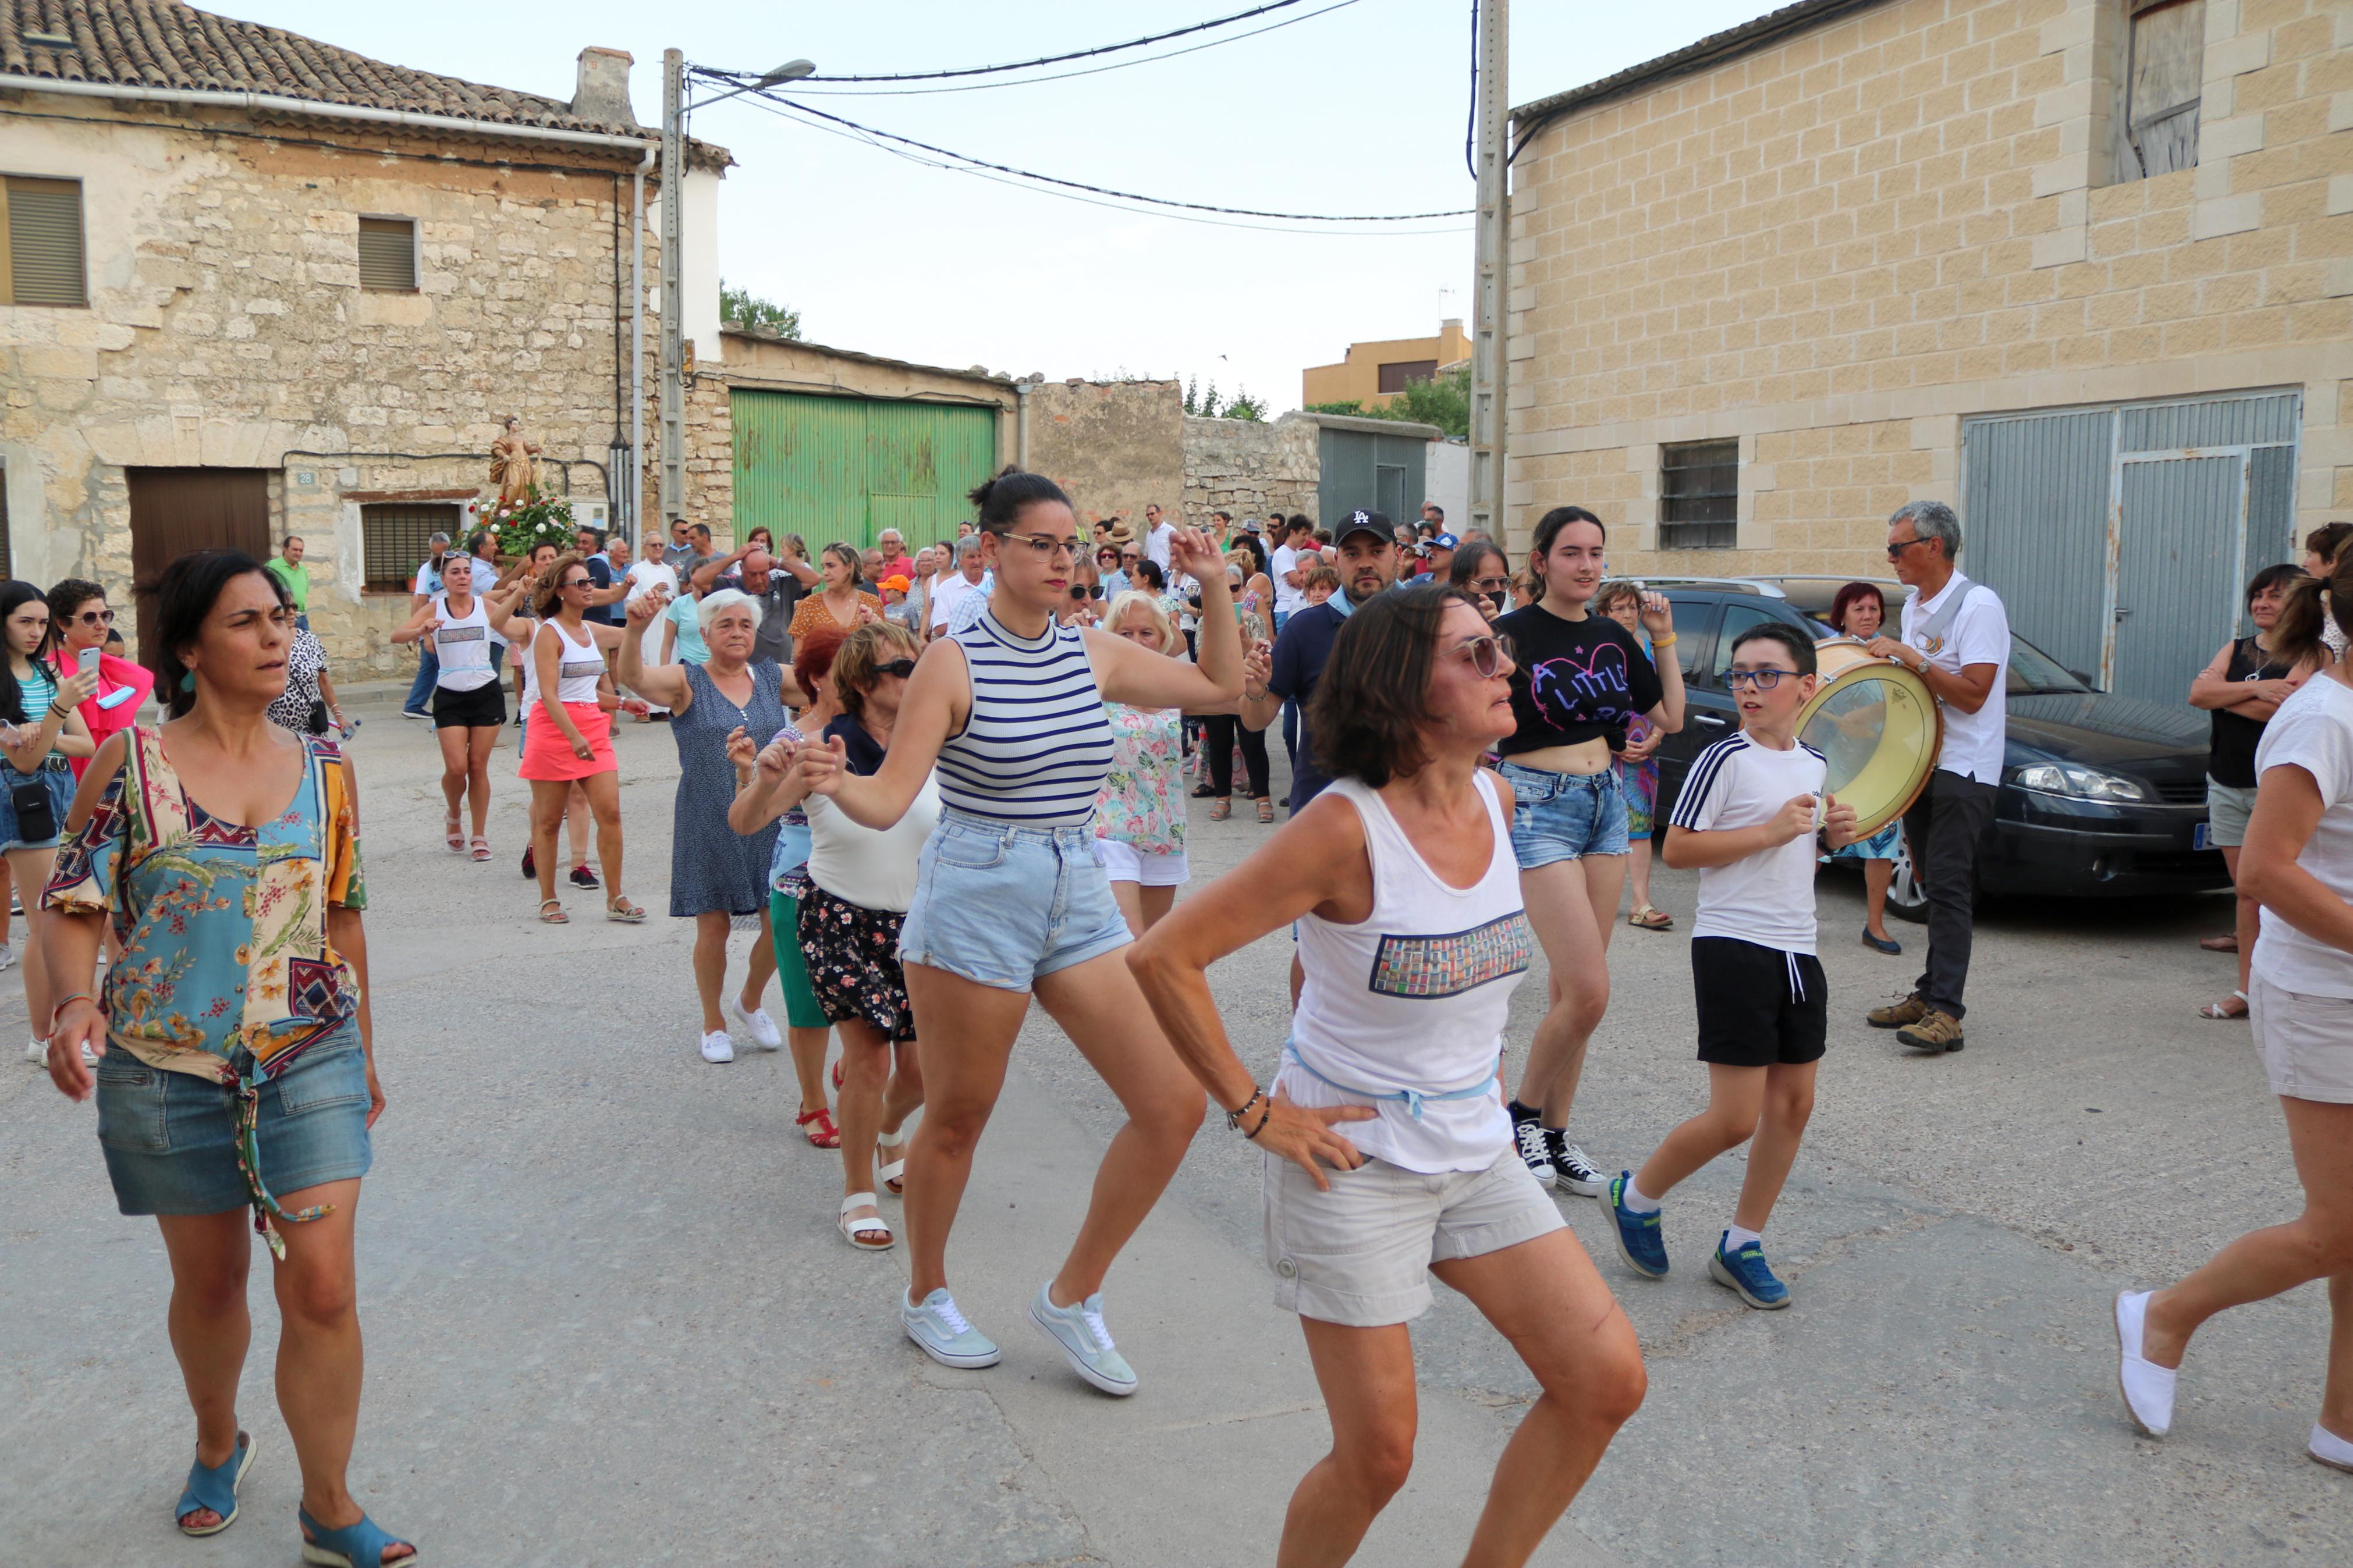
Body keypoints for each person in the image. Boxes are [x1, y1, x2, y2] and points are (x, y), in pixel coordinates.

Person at [1129, 584, 1645, 1566]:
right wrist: (1254, 1109)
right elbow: (1162, 957)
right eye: (1476, 656)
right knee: (1378, 1458)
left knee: (1603, 1379)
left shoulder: (1495, 797)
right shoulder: (1342, 828)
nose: (1506, 669)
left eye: (1497, 649)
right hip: (1351, 1162)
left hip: (1472, 1147)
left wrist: (1468, 1066)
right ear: (1405, 692)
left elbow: (1371, 966)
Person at [789, 466, 1241, 1392]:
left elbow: (1220, 685)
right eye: (1039, 542)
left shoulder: (1093, 647)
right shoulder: (950, 662)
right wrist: (831, 780)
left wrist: (1217, 587)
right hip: (976, 886)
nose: (1059, 559)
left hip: (1077, 879)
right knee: (959, 1114)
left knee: (1171, 1103)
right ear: (988, 548)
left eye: (1067, 544)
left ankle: (1071, 1296)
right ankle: (926, 1296)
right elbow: (888, 798)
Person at [41, 550, 415, 1565]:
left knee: (324, 1288)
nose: (273, 636)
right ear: (192, 647)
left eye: (281, 618)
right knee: (211, 1288)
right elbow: (71, 900)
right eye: (247, 620)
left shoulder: (325, 767)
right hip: (167, 1068)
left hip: (307, 1053)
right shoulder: (132, 764)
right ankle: (218, 1438)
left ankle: (328, 1508)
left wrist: (366, 1051)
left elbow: (343, 913)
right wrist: (76, 1001)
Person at [2115, 558, 2353, 1475]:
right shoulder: (2319, 719)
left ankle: (2340, 1418)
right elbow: (2262, 870)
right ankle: (2163, 1313)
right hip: (2322, 997)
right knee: (2335, 1227)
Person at [1605, 623, 1857, 1310]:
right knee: (1735, 1116)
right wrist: (1774, 829)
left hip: (1796, 948)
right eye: (1741, 673)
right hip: (1732, 943)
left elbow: (1797, 856)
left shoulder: (1813, 764)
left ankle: (1741, 1243)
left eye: (1766, 673)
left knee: (1793, 1104)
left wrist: (1828, 838)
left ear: (1806, 687)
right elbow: (1679, 850)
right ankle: (1634, 1196)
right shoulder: (1724, 758)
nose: (1749, 685)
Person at [1492, 507, 1684, 1194]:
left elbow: (1668, 716)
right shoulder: (1506, 634)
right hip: (1538, 804)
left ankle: (1555, 1134)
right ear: (1540, 560)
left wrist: (1661, 639)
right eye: (1570, 551)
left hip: (1606, 801)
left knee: (1573, 988)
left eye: (1595, 551)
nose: (1585, 564)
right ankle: (1517, 1120)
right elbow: (1476, 713)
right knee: (1589, 991)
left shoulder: (1610, 632)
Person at [740, 623, 936, 1247]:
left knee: (925, 1073)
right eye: (902, 669)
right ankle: (857, 1193)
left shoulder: (935, 743)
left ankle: (885, 1131)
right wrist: (765, 778)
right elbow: (747, 822)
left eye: (919, 666)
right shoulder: (821, 747)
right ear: (860, 682)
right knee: (868, 1059)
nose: (917, 678)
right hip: (841, 918)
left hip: (923, 925)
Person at [1862, 499, 2010, 1055]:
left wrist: (1911, 658)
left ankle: (1947, 1011)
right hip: (1923, 762)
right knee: (1929, 881)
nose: (1891, 557)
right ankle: (1928, 994)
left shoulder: (1977, 605)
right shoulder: (1918, 604)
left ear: (1933, 547)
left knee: (1947, 888)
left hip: (1966, 767)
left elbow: (1973, 694)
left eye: (1897, 548)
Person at [619, 587, 790, 1061]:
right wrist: (635, 629)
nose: (737, 633)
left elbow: (833, 683)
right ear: (706, 632)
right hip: (705, 813)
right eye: (726, 625)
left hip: (765, 814)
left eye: (745, 625)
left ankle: (750, 1001)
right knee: (712, 926)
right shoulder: (686, 679)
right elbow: (632, 676)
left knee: (779, 920)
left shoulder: (773, 677)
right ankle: (713, 1021)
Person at [1094, 591, 1271, 936]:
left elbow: (1247, 712)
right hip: (1108, 833)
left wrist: (1254, 687)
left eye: (1146, 633)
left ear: (1163, 638)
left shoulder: (1177, 685)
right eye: (1125, 633)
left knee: (1148, 951)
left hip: (1164, 831)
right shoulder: (1095, 685)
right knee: (1124, 944)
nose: (1136, 642)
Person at [2189, 564, 2318, 1019]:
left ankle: (2286, 987)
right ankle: (2246, 992)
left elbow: (2285, 713)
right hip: (2225, 782)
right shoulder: (2237, 648)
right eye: (2257, 595)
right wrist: (2260, 687)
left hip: (2275, 788)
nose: (2262, 604)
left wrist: (2225, 695)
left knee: (2277, 891)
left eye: (2275, 596)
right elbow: (2196, 695)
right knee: (2245, 891)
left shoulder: (2311, 653)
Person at [739, 627, 850, 1148]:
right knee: (807, 1003)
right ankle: (813, 1103)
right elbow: (754, 817)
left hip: (874, 881)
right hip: (801, 882)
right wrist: (758, 777)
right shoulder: (792, 740)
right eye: (844, 668)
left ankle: (855, 1059)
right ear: (815, 679)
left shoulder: (887, 731)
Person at [1238, 511, 1403, 823]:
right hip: (1323, 815)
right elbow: (1255, 720)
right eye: (1353, 553)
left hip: (1409, 817)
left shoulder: (1429, 622)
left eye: (1377, 551)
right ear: (1337, 561)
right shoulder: (1304, 629)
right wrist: (1255, 691)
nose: (1365, 562)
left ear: (1398, 555)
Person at [2, 581, 98, 1064]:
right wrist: (58, 713)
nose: (36, 631)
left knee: (60, 916)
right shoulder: (6, 683)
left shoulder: (42, 674)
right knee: (45, 920)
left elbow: (86, 745)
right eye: (25, 621)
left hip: (59, 792)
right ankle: (45, 1037)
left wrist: (47, 731)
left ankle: (53, 1032)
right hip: (21, 798)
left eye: (42, 622)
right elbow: (20, 764)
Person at [518, 553, 640, 925]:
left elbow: (586, 692)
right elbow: (550, 695)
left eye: (590, 582)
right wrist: (572, 737)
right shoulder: (547, 634)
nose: (590, 588)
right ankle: (548, 898)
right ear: (560, 591)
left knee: (611, 814)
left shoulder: (591, 631)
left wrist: (621, 701)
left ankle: (615, 896)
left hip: (591, 726)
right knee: (549, 821)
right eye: (581, 583)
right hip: (553, 729)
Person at [389, 553, 505, 862]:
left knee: (478, 767)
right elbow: (396, 636)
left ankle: (479, 835)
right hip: (450, 695)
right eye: (456, 572)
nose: (463, 577)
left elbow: (519, 629)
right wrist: (422, 629)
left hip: (486, 693)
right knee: (457, 768)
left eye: (467, 571)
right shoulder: (435, 608)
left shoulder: (486, 606)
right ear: (444, 579)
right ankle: (454, 813)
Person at [1824, 581, 1908, 954]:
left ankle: (1875, 925)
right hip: (1835, 764)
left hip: (1879, 765)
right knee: (1815, 843)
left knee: (1882, 845)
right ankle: (1794, 921)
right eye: (1859, 609)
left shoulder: (1892, 658)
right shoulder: (1831, 655)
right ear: (1842, 614)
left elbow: (1905, 710)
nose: (1868, 616)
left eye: (1874, 609)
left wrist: (1871, 728)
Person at [1595, 580, 1673, 932]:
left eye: (1632, 608)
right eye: (1619, 608)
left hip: (1644, 752)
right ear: (1603, 613)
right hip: (1601, 752)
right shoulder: (1596, 648)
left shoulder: (1649, 649)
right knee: (1597, 826)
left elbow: (1665, 702)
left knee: (1640, 829)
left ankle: (1641, 902)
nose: (1628, 615)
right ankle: (1591, 897)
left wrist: (1655, 738)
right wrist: (1612, 742)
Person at [45, 579, 156, 777]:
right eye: (89, 618)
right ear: (62, 623)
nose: (101, 625)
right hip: (73, 780)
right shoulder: (52, 670)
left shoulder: (109, 667)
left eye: (105, 616)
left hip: (118, 775)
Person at [624, 534, 681, 719]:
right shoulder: (637, 570)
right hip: (648, 623)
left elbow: (676, 594)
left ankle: (664, 707)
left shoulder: (669, 571)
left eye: (661, 545)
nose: (658, 548)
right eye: (654, 545)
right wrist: (652, 590)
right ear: (646, 548)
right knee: (647, 661)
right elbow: (631, 597)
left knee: (665, 660)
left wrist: (671, 599)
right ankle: (644, 709)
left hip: (665, 619)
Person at [399, 531, 453, 719]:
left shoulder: (456, 567)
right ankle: (445, 707)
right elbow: (420, 601)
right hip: (433, 626)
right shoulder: (426, 570)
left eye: (444, 553)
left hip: (446, 623)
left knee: (429, 669)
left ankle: (414, 705)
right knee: (446, 668)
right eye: (437, 554)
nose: (440, 558)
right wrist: (423, 633)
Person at [791, 543, 883, 644]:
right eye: (823, 567)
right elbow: (799, 657)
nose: (825, 573)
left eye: (831, 566)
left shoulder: (872, 603)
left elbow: (882, 649)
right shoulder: (809, 605)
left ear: (850, 567)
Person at [2301, 523, 2353, 663]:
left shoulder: (2347, 612)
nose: (2304, 563)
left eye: (2309, 555)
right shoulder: (2314, 608)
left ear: (2331, 561)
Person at [928, 536, 988, 637]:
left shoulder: (996, 582)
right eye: (971, 557)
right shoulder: (946, 588)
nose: (977, 562)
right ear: (959, 560)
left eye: (980, 556)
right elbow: (940, 629)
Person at [1449, 539, 1514, 622]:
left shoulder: (1512, 627)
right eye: (1487, 583)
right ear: (1461, 585)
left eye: (1503, 582)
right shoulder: (1442, 625)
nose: (1498, 589)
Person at [265, 536, 311, 630]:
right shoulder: (272, 566)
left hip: (302, 618)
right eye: (295, 550)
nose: (298, 553)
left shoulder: (303, 570)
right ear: (285, 549)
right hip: (282, 618)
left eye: (301, 551)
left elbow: (303, 595)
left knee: (305, 644)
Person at [1143, 501, 1177, 571]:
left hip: (1166, 572)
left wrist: (1169, 571)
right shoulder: (1149, 534)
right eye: (1148, 515)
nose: (1150, 517)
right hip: (1152, 574)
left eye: (1152, 514)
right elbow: (1148, 555)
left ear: (1160, 513)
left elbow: (1176, 552)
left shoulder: (1170, 531)